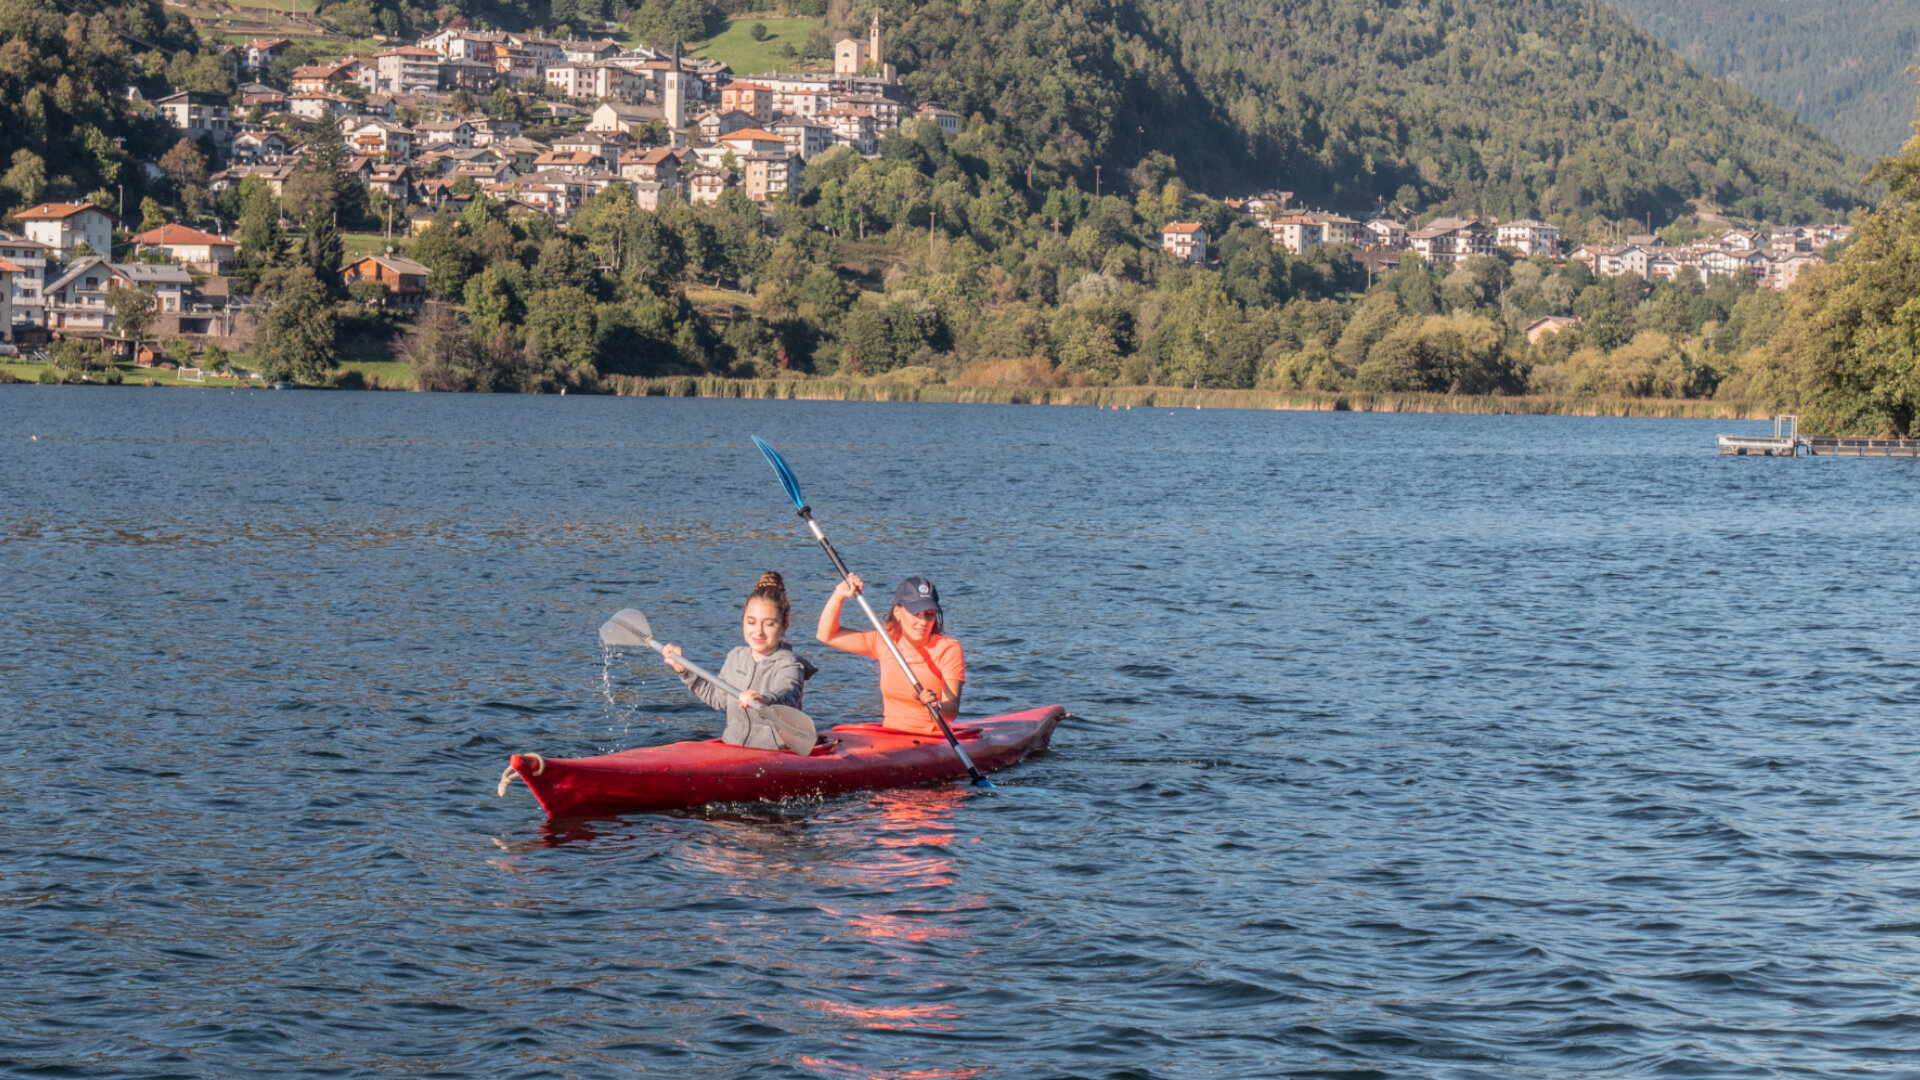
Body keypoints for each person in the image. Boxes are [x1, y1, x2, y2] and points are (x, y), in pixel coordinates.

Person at [663, 571, 815, 749]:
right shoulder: (735, 657)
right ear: (743, 621)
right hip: (733, 749)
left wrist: (764, 699)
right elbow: (717, 698)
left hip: (777, 755)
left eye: (769, 624)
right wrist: (684, 670)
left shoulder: (790, 664)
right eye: (751, 622)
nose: (758, 632)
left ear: (785, 625)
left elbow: (788, 695)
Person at [816, 573, 963, 735]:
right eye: (916, 613)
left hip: (934, 737)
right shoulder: (885, 641)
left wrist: (937, 705)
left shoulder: (948, 649)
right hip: (891, 735)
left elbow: (952, 710)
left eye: (929, 614)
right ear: (898, 612)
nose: (923, 622)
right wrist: (839, 595)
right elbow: (826, 635)